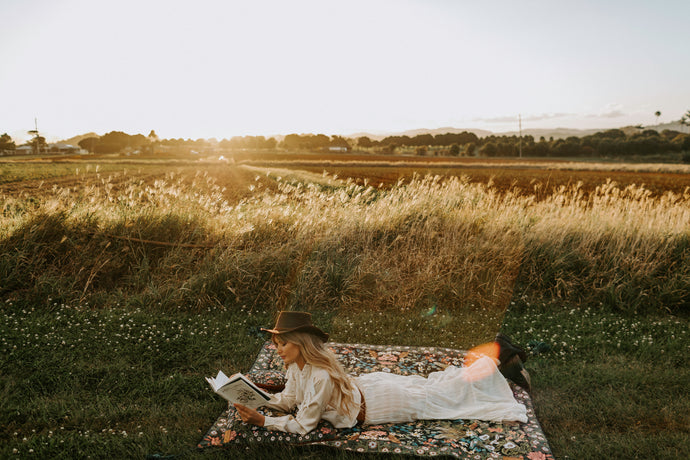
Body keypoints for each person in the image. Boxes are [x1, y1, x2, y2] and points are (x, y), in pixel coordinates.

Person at [234, 311, 530, 436]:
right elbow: (288, 401)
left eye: (282, 343)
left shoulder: (319, 375)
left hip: (379, 404)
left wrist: (263, 421)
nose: (278, 350)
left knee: (448, 398)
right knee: (440, 385)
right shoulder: (300, 367)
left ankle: (500, 359)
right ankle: (500, 353)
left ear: (300, 344)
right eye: (275, 344)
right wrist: (256, 398)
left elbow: (304, 424)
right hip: (371, 389)